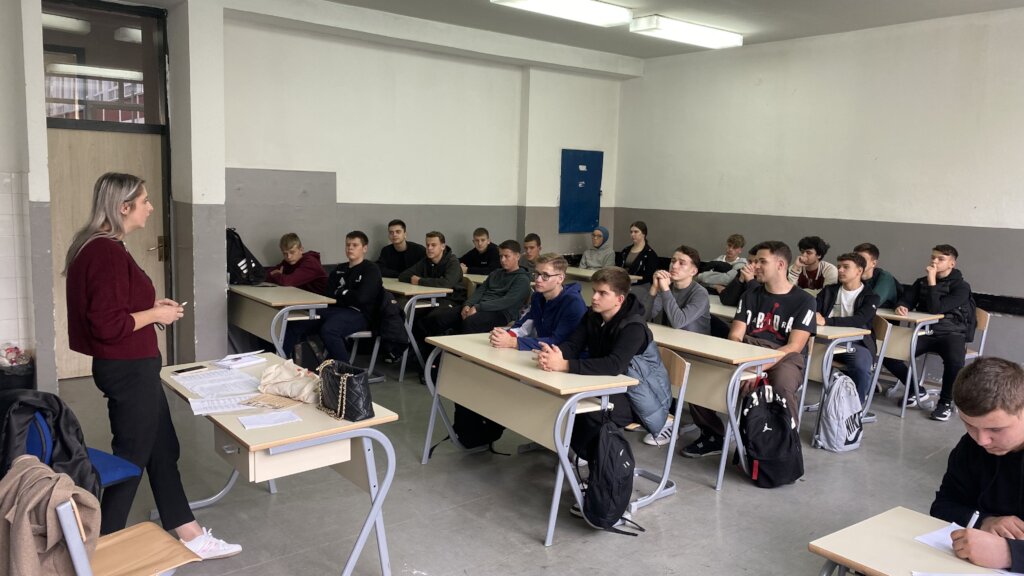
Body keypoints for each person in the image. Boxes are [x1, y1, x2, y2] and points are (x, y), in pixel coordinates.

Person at [63, 173, 240, 559]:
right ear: (123, 207)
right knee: (131, 459)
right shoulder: (105, 252)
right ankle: (98, 547)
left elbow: (116, 309)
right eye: (144, 201)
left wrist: (151, 309)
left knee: (162, 450)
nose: (150, 207)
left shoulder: (101, 246)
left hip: (134, 366)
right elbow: (107, 325)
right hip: (128, 370)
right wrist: (156, 314)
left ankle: (189, 533)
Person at [684, 241, 816, 458]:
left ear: (781, 265)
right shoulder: (750, 295)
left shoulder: (804, 300)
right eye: (754, 262)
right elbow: (735, 335)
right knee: (701, 378)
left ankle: (782, 451)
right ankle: (713, 435)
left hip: (784, 357)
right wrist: (744, 364)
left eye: (762, 262)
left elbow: (794, 346)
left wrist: (758, 368)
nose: (755, 266)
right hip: (748, 350)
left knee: (781, 388)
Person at [536, 267, 670, 463]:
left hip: (639, 399)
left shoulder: (634, 326)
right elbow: (574, 344)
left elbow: (614, 365)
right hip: (608, 384)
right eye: (594, 291)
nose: (594, 297)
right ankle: (574, 447)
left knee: (587, 410)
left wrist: (565, 365)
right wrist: (555, 354)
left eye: (602, 293)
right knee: (557, 396)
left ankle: (592, 457)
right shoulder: (593, 315)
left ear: (619, 299)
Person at [931, 358, 1024, 572]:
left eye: (996, 429)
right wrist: (986, 521)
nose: (982, 440)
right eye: (969, 425)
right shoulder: (970, 447)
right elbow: (943, 506)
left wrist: (1011, 554)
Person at [883, 244, 973, 422]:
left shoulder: (961, 287)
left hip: (951, 333)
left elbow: (935, 309)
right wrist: (902, 306)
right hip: (925, 332)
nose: (934, 261)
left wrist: (932, 281)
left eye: (941, 259)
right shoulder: (921, 282)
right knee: (888, 353)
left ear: (952, 264)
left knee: (955, 361)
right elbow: (906, 299)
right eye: (933, 257)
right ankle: (915, 389)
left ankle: (945, 402)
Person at [421, 240, 531, 337]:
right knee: (440, 318)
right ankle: (434, 351)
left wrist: (478, 307)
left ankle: (456, 350)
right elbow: (480, 291)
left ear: (517, 256)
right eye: (500, 256)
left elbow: (506, 301)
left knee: (470, 323)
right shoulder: (496, 273)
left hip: (502, 313)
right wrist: (468, 305)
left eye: (507, 256)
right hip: (480, 307)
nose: (502, 260)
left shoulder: (522, 279)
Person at [814, 253, 880, 404]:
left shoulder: (870, 296)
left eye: (845, 267)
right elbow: (814, 310)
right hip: (824, 341)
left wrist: (826, 321)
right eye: (839, 267)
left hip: (856, 343)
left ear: (859, 271)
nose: (840, 270)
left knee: (861, 365)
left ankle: (856, 408)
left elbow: (859, 320)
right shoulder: (829, 291)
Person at [490, 253, 586, 351]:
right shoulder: (538, 296)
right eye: (537, 274)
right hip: (543, 351)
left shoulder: (573, 303)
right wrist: (505, 335)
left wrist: (513, 342)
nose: (538, 280)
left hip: (566, 356)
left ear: (560, 278)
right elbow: (526, 322)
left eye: (545, 275)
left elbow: (558, 341)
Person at [316, 231, 384, 362]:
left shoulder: (371, 269)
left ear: (364, 248)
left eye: (355, 245)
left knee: (329, 330)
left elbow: (362, 298)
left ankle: (346, 370)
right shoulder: (339, 269)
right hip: (337, 310)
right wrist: (347, 294)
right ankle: (286, 363)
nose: (350, 248)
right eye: (348, 245)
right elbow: (328, 294)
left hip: (360, 314)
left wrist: (341, 292)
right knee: (300, 321)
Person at [399, 231, 467, 355]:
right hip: (431, 299)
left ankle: (427, 355)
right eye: (427, 245)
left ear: (443, 246)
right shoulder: (426, 261)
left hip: (452, 300)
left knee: (432, 318)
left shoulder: (452, 262)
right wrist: (426, 281)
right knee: (408, 313)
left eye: (433, 245)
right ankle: (412, 351)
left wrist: (420, 281)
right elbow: (403, 275)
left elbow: (446, 283)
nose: (429, 248)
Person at [648, 245, 711, 335]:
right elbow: (646, 316)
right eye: (673, 261)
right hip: (669, 337)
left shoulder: (701, 293)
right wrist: (654, 288)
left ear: (693, 271)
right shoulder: (666, 286)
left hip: (693, 341)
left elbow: (678, 322)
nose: (674, 266)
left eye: (681, 263)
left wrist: (665, 290)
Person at [853, 242, 901, 309]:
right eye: (854, 259)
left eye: (862, 260)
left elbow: (872, 302)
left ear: (874, 263)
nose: (856, 263)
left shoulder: (885, 277)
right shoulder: (852, 275)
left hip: (885, 315)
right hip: (865, 313)